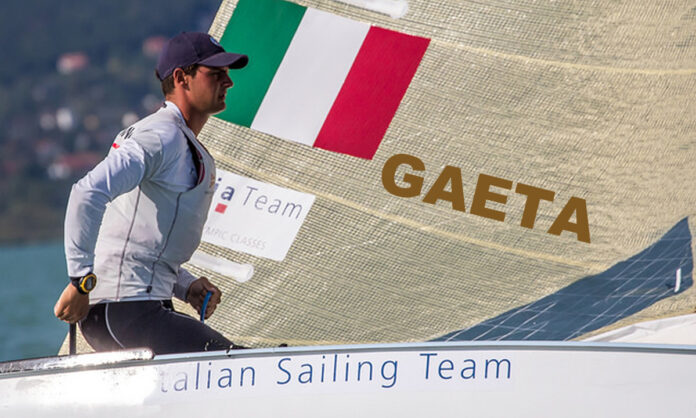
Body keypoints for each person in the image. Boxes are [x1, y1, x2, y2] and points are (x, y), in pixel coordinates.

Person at [53, 32, 249, 355]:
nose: (228, 81)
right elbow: (86, 193)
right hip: (123, 310)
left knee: (231, 361)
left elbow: (140, 240)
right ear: (181, 78)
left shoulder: (176, 137)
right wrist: (80, 282)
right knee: (237, 363)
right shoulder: (160, 135)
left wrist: (185, 286)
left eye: (227, 73)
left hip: (137, 307)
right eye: (216, 73)